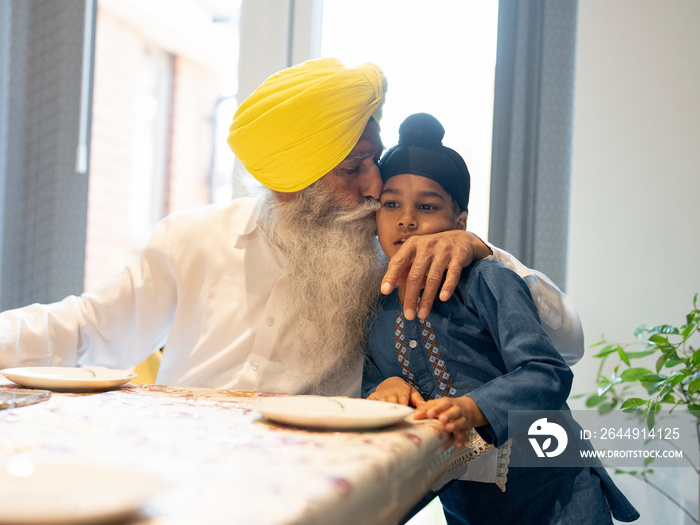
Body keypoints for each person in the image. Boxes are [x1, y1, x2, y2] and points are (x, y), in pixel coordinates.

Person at [0, 58, 581, 397]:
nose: (376, 185)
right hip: (183, 470)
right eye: (354, 167)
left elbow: (567, 344)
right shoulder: (191, 238)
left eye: (374, 159)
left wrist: (485, 253)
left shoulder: (396, 255)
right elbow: (88, 329)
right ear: (290, 184)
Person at [362, 113, 639, 524]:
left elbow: (547, 373)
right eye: (391, 203)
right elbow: (365, 374)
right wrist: (382, 385)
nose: (407, 219)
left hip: (558, 494)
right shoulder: (373, 301)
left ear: (460, 222)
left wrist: (476, 408)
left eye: (427, 205)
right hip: (469, 505)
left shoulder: (489, 281)